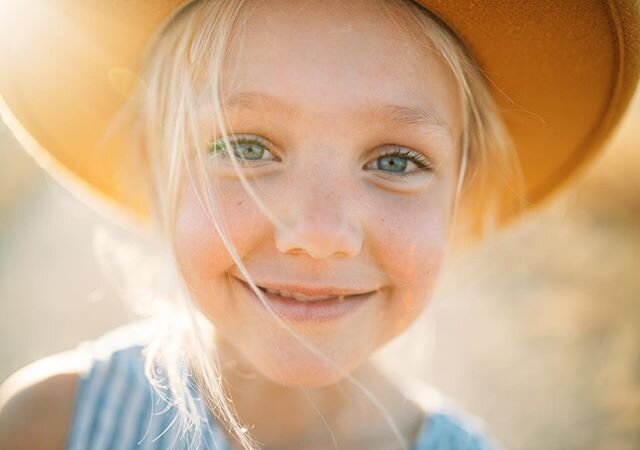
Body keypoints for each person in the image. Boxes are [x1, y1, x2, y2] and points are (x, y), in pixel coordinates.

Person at [0, 0, 638, 449]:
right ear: (156, 171)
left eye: (395, 160)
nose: (319, 233)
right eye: (246, 148)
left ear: (459, 196)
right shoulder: (52, 425)